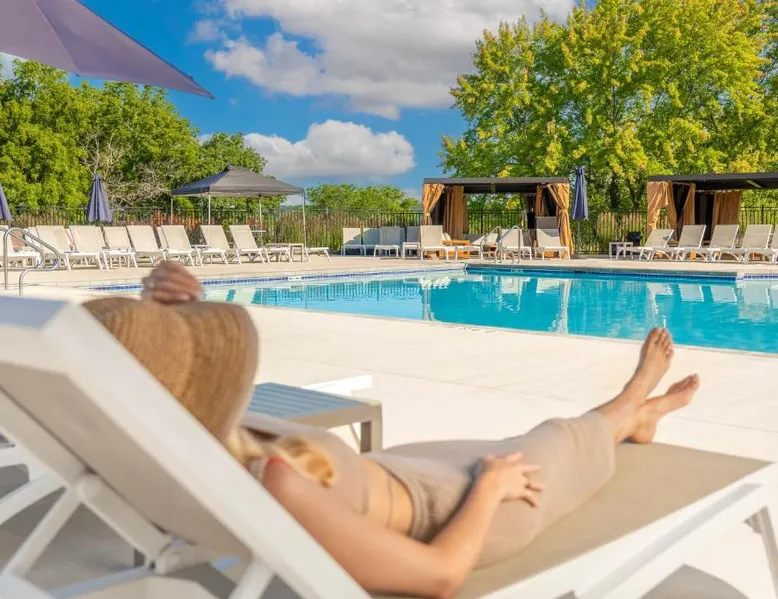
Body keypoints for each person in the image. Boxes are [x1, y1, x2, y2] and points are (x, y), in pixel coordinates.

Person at [90, 261, 699, 599]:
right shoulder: (279, 481)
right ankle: (634, 401)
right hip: (450, 506)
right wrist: (489, 488)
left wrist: (158, 316)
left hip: (399, 472)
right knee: (561, 436)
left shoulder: (167, 447)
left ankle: (636, 418)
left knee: (532, 437)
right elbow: (438, 576)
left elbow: (167, 385)